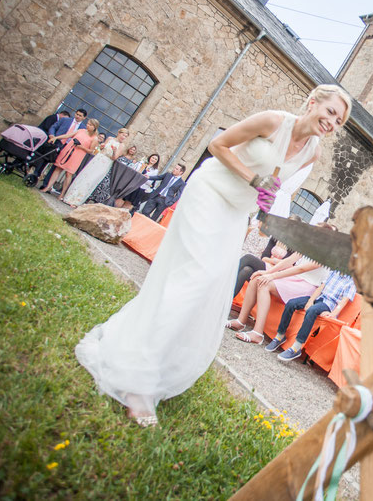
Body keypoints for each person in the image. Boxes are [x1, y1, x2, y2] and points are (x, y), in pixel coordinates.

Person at [75, 84, 352, 427]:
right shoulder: (273, 121)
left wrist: (265, 199)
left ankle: (151, 354)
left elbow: (276, 178)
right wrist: (253, 178)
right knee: (194, 277)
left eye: (339, 120)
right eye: (329, 112)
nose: (332, 122)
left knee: (206, 287)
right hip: (209, 193)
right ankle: (138, 384)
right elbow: (217, 145)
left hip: (236, 212)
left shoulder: (313, 152)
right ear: (312, 103)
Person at [229, 240, 332, 345]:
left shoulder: (326, 255)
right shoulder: (308, 246)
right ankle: (240, 321)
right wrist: (267, 272)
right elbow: (289, 260)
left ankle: (257, 333)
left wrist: (272, 276)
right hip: (295, 279)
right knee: (257, 278)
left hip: (307, 286)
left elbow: (301, 268)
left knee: (264, 284)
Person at [271, 270, 357, 362]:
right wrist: (310, 301)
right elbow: (320, 288)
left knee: (312, 310)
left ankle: (296, 348)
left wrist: (333, 314)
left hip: (329, 305)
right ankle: (280, 335)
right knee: (291, 303)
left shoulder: (352, 281)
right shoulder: (334, 272)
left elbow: (344, 300)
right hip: (319, 299)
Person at [63, 128, 126, 207]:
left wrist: (114, 151)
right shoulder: (110, 138)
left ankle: (77, 201)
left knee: (92, 180)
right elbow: (101, 148)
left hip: (106, 163)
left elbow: (114, 158)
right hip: (99, 158)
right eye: (123, 135)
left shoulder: (121, 146)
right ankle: (70, 197)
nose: (123, 137)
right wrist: (102, 146)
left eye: (125, 136)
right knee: (85, 176)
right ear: (119, 133)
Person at [40, 118, 99, 197]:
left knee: (68, 173)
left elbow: (90, 151)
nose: (88, 125)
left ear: (94, 127)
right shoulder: (81, 131)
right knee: (58, 168)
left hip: (78, 155)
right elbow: (68, 135)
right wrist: (56, 137)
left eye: (90, 125)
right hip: (68, 150)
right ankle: (48, 187)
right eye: (88, 124)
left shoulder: (94, 138)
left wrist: (81, 147)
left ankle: (62, 193)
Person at [39, 109, 86, 190]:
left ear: (84, 118)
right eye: (77, 114)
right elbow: (54, 127)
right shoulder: (65, 120)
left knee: (56, 166)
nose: (77, 116)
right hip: (57, 142)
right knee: (45, 158)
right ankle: (36, 175)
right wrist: (52, 135)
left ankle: (46, 184)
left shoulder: (83, 129)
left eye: (80, 116)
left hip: (68, 147)